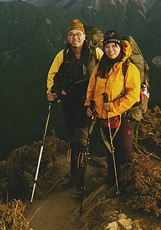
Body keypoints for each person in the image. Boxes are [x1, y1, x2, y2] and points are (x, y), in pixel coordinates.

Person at [46, 19, 104, 192]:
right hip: (69, 102)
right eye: (71, 35)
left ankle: (78, 179)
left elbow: (106, 73)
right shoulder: (62, 56)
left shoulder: (96, 53)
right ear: (67, 37)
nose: (75, 38)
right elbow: (53, 74)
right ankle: (75, 172)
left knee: (81, 139)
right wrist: (52, 92)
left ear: (84, 36)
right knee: (73, 138)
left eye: (78, 34)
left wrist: (98, 99)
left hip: (88, 103)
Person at [85, 30, 140, 197]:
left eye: (114, 46)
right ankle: (112, 178)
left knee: (124, 149)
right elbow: (92, 87)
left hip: (123, 115)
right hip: (104, 115)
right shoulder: (101, 66)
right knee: (110, 148)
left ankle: (126, 183)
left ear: (120, 48)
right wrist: (89, 104)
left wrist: (115, 106)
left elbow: (133, 94)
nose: (110, 50)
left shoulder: (128, 68)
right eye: (107, 46)